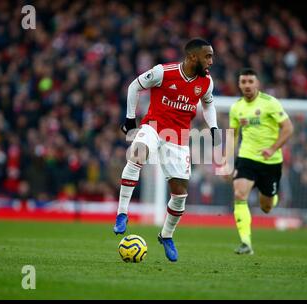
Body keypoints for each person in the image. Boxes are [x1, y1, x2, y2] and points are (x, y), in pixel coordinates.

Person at [114, 38, 219, 262]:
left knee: (180, 195)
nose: (211, 61)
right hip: (153, 127)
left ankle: (166, 235)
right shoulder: (164, 72)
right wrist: (130, 118)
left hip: (179, 138)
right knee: (137, 152)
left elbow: (208, 104)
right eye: (207, 56)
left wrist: (214, 128)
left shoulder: (206, 83)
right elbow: (135, 86)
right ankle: (122, 213)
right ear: (192, 57)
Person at [228, 68, 293, 255]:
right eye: (243, 82)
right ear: (239, 85)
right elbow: (232, 135)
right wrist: (227, 162)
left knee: (266, 207)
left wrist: (273, 148)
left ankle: (272, 198)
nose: (247, 85)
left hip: (270, 161)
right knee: (240, 194)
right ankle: (246, 243)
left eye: (250, 82)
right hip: (247, 157)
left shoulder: (270, 103)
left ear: (257, 84)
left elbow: (288, 128)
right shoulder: (236, 108)